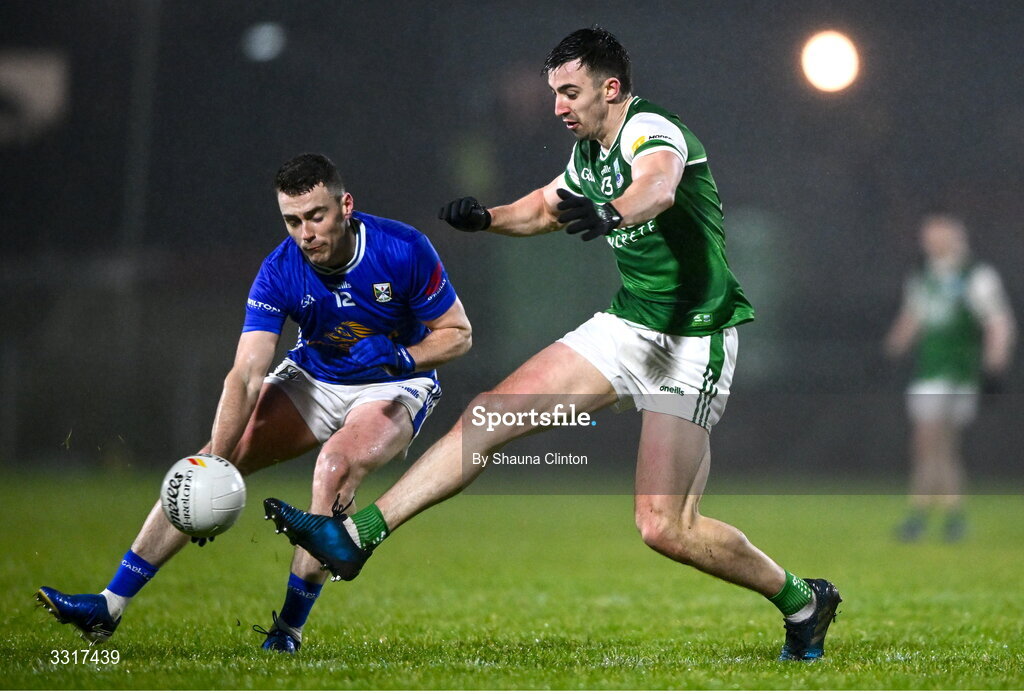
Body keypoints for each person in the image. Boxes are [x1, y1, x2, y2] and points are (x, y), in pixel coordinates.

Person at [264, 28, 841, 661]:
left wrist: (614, 213)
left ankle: (803, 602)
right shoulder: (588, 153)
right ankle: (359, 535)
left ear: (610, 88)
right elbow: (543, 208)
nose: (558, 106)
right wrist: (487, 218)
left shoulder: (655, 130)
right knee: (488, 416)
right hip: (627, 328)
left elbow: (658, 187)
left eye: (570, 92)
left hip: (691, 343)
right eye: (554, 94)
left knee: (665, 528)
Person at [35, 153, 472, 653]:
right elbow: (245, 375)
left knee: (333, 469)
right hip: (316, 375)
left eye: (316, 216)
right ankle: (108, 605)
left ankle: (287, 630)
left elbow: (458, 336)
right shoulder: (279, 270)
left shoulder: (403, 248)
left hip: (394, 384)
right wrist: (213, 467)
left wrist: (402, 355)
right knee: (207, 461)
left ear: (345, 206)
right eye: (292, 220)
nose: (305, 233)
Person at [885, 213, 1015, 541]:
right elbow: (912, 318)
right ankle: (952, 514)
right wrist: (890, 351)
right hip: (931, 370)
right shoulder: (924, 276)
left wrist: (994, 363)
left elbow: (998, 321)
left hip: (958, 372)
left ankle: (920, 514)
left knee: (931, 443)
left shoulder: (976, 276)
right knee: (939, 446)